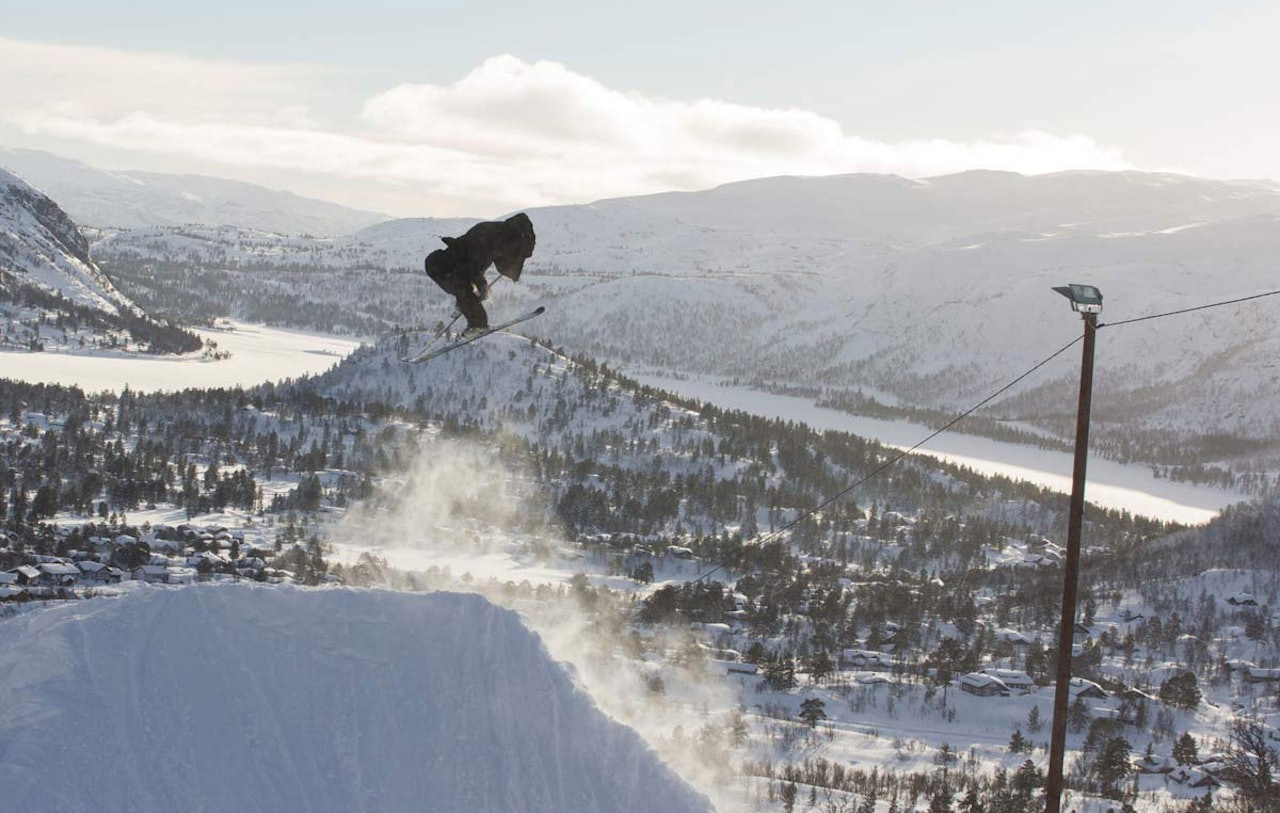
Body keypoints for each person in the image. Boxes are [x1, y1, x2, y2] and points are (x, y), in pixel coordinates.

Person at [423, 212, 536, 336]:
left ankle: (466, 306)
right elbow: (471, 267)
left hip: (453, 267)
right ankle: (477, 324)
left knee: (463, 286)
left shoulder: (497, 237)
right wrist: (482, 287)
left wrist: (481, 288)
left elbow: (477, 265)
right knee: (461, 286)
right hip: (439, 266)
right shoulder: (488, 237)